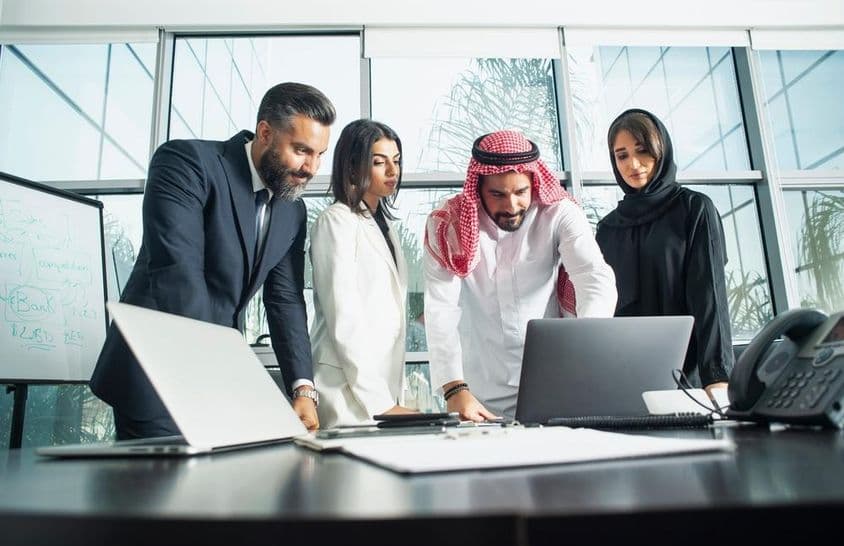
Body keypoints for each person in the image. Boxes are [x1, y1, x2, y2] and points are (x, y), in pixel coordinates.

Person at [90, 82, 335, 439]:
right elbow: (178, 271)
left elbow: (284, 299)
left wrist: (303, 389)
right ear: (265, 132)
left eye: (319, 154)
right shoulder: (187, 163)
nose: (311, 167)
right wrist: (219, 376)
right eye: (301, 150)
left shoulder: (291, 211)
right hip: (155, 376)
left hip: (215, 384)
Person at [423, 130, 617, 421]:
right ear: (478, 187)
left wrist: (585, 348)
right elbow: (441, 308)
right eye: (497, 194)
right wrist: (454, 388)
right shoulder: (448, 225)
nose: (511, 206)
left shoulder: (559, 213)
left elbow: (594, 277)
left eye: (520, 192)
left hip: (556, 386)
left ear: (534, 184)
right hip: (477, 396)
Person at [595, 108, 733, 396]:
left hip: (688, 375)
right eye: (622, 155)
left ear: (662, 150)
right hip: (625, 376)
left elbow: (710, 298)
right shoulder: (608, 228)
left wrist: (717, 376)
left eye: (643, 150)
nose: (633, 164)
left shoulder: (695, 209)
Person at [309, 119, 418, 427]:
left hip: (382, 391)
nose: (392, 171)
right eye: (379, 162)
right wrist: (380, 403)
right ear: (353, 166)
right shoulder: (336, 221)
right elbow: (344, 318)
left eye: (396, 161)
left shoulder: (386, 229)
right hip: (346, 393)